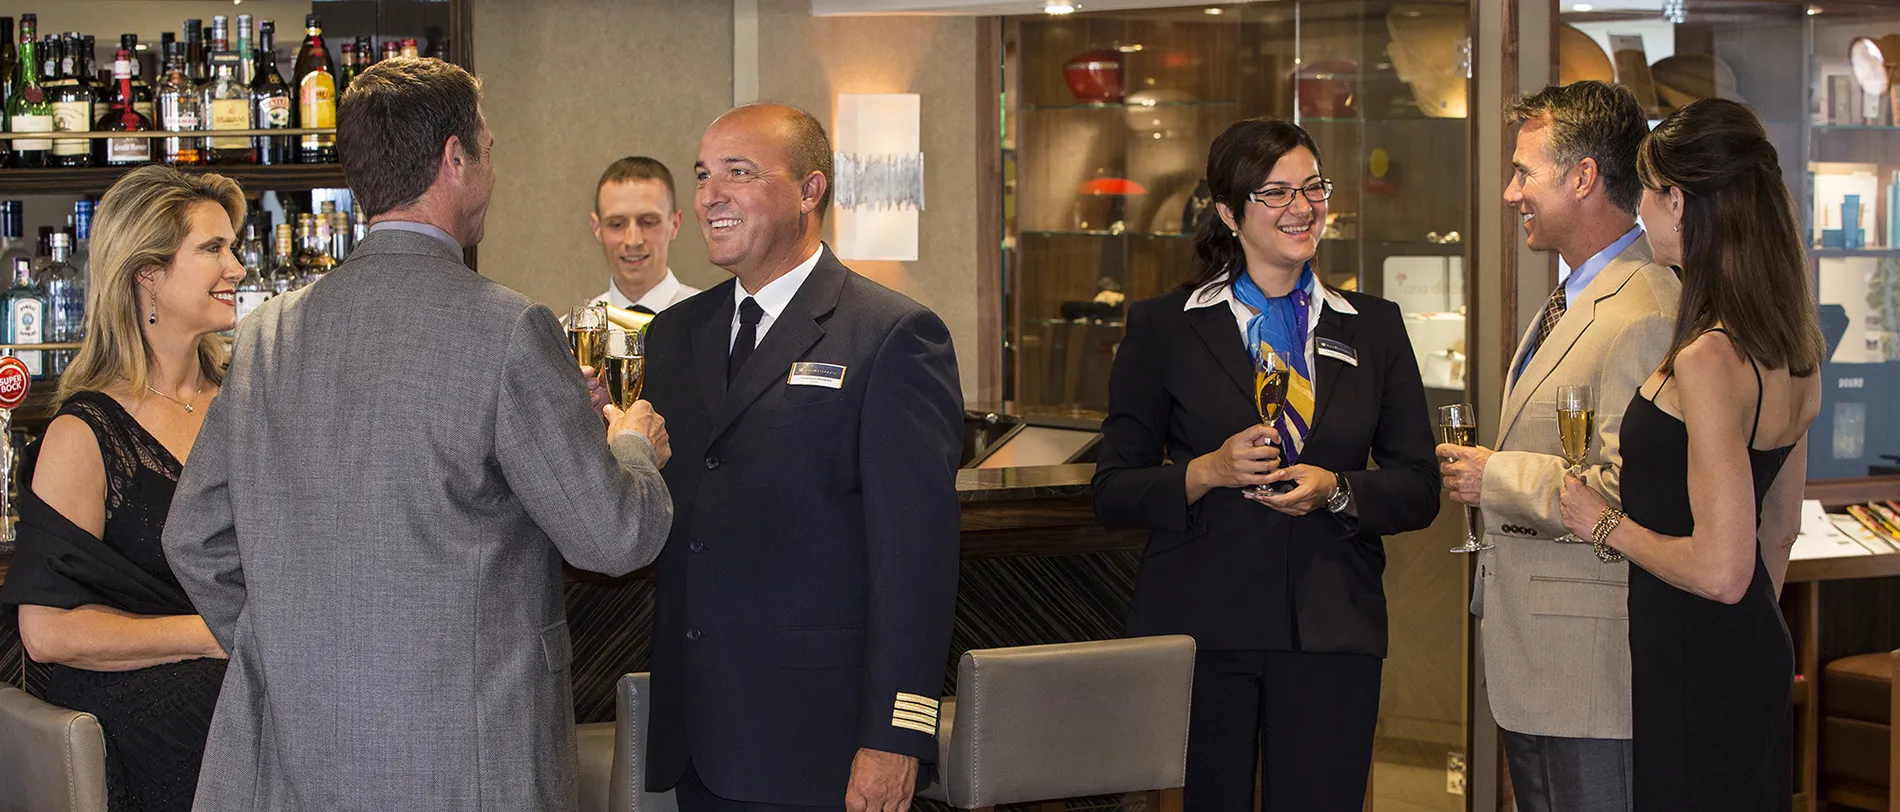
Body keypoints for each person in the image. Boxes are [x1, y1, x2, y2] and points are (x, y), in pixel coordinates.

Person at [160, 57, 675, 811]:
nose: (493, 171)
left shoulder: (267, 335)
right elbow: (612, 535)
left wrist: (295, 645)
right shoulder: (507, 328)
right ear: (454, 159)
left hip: (298, 748)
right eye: (490, 150)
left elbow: (195, 537)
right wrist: (630, 444)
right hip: (469, 751)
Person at [1091, 117, 1440, 811]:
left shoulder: (1372, 326)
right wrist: (1210, 471)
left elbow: (1418, 487)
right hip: (1202, 627)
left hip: (1331, 628)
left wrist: (1338, 489)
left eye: (1313, 187)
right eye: (1276, 193)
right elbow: (1114, 488)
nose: (1302, 207)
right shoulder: (1164, 327)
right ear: (1228, 211)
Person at [640, 103, 963, 812]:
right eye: (702, 175)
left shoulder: (893, 336)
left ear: (810, 190)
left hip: (823, 746)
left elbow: (917, 566)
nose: (707, 196)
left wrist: (897, 738)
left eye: (739, 172)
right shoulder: (672, 336)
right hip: (700, 738)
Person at [1559, 97, 1822, 812]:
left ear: (1679, 199)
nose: (1641, 210)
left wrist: (1601, 523)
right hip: (1746, 651)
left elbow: (1721, 570)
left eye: (1647, 191)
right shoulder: (1794, 350)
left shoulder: (1709, 357)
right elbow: (1776, 531)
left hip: (1696, 659)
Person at [1438, 80, 1676, 812]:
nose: (1511, 194)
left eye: (1524, 173)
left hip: (1588, 664)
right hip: (1537, 655)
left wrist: (1495, 477)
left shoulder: (1643, 308)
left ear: (1583, 177)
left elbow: (1624, 486)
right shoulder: (1572, 296)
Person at [0, 165, 243, 812]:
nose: (239, 268)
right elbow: (46, 632)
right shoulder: (85, 432)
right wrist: (212, 634)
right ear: (147, 274)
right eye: (213, 249)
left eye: (235, 247)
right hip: (147, 708)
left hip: (247, 680)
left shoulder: (245, 402)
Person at [583, 156, 701, 314]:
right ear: (597, 227)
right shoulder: (571, 334)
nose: (633, 241)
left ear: (675, 223)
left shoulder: (714, 322)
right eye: (617, 224)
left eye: (648, 222)